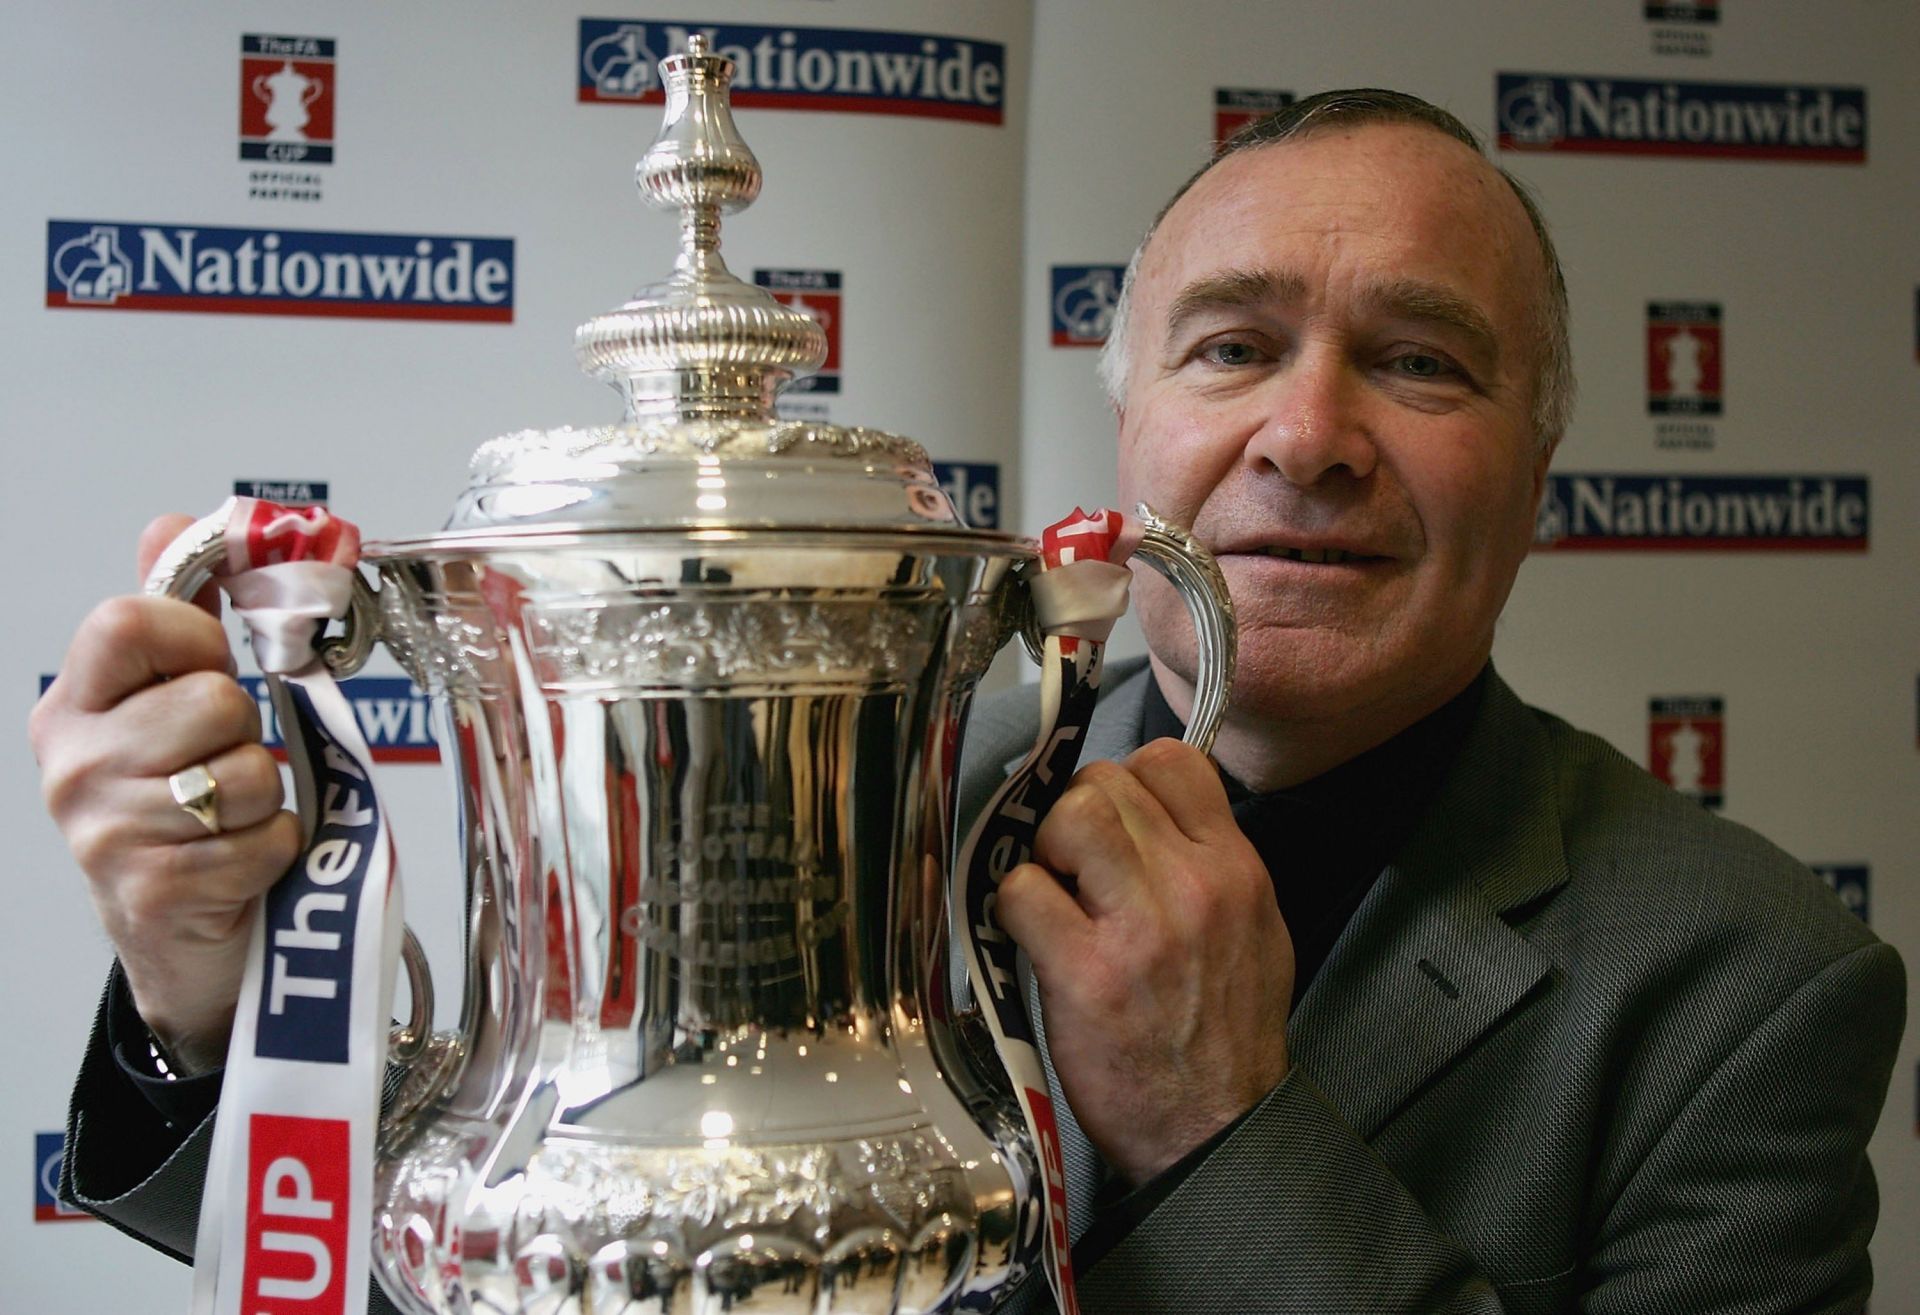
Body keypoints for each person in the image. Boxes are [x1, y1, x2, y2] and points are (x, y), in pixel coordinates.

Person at [28, 90, 1904, 1314]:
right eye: (1233, 347)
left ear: (1542, 468)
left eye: (1420, 365)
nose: (1309, 438)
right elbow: (533, 1227)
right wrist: (220, 1005)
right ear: (1134, 433)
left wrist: (1223, 1128)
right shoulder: (902, 767)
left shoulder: (1743, 984)